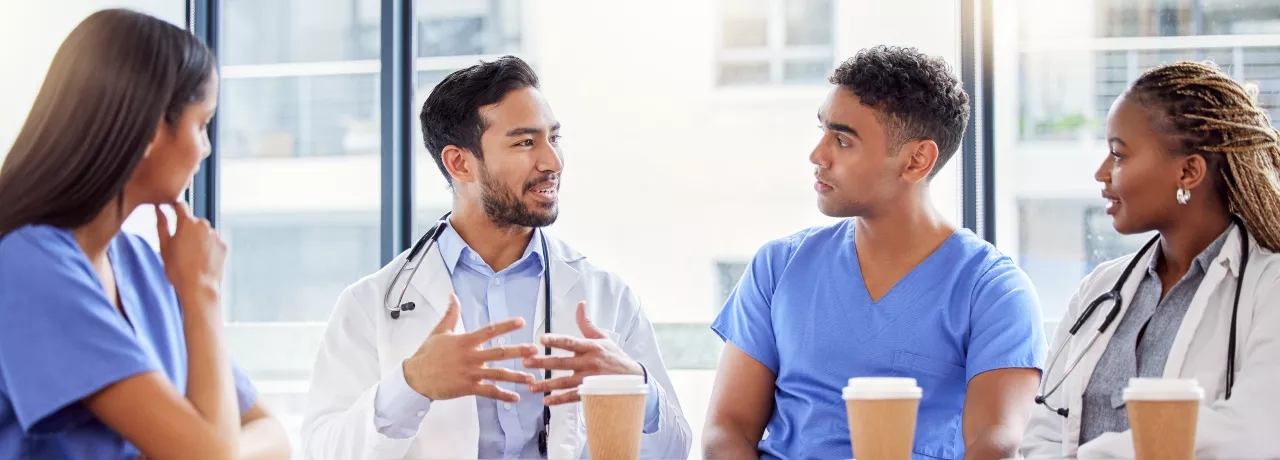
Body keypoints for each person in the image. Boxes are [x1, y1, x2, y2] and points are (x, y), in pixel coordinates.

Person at [301, 56, 691, 460]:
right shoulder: (370, 304)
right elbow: (320, 451)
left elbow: (676, 448)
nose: (552, 162)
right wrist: (410, 384)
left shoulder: (606, 294)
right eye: (525, 142)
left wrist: (635, 386)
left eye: (553, 138)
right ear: (459, 163)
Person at [702, 45, 1047, 460]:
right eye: (823, 131)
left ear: (917, 160)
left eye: (842, 140)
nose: (817, 156)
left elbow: (995, 444)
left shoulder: (993, 291)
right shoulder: (778, 267)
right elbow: (727, 429)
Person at [0, 9, 291, 460]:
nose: (206, 149)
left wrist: (218, 448)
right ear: (154, 131)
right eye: (201, 124)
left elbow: (272, 435)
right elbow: (210, 456)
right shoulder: (27, 266)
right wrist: (203, 294)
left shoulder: (143, 263)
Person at [1020, 61, 1280, 458]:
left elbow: (1251, 432)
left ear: (1189, 171)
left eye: (1118, 155)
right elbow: (1042, 436)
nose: (1101, 173)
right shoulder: (1100, 288)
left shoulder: (1269, 286)